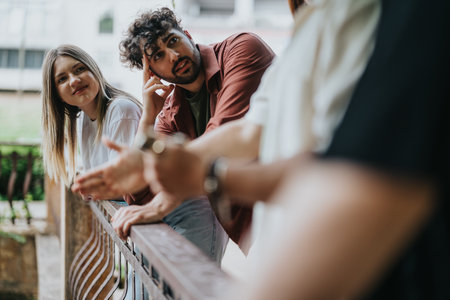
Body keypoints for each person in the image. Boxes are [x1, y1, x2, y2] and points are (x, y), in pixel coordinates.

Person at [229, 0, 450, 298]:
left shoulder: (368, 13)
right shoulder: (310, 25)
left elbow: (362, 173)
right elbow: (251, 131)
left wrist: (212, 176)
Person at [73, 7, 275, 255]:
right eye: (158, 55)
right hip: (261, 231)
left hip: (303, 195)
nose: (172, 55)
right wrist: (148, 117)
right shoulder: (171, 112)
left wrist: (161, 197)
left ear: (188, 35)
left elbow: (225, 131)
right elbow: (139, 193)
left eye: (173, 41)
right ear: (151, 72)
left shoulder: (241, 49)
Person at [41, 44, 142, 186]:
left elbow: (122, 181)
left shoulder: (121, 109)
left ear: (94, 71)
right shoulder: (83, 119)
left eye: (79, 69)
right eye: (62, 79)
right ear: (57, 96)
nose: (74, 80)